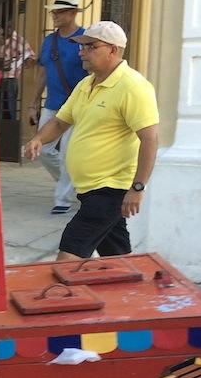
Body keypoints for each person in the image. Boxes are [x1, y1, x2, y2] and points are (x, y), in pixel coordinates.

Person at [23, 21, 159, 261]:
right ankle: (128, 293)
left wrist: (137, 188)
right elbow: (60, 121)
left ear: (113, 50)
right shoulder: (86, 84)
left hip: (109, 189)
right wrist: (38, 139)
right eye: (81, 46)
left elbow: (149, 139)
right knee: (117, 261)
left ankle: (62, 300)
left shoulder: (133, 86)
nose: (81, 52)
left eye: (90, 46)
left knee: (67, 259)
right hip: (88, 189)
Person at [25, 0, 88, 214]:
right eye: (53, 13)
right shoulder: (49, 41)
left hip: (77, 107)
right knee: (42, 149)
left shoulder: (85, 39)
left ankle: (62, 200)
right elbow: (43, 74)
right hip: (52, 104)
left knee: (67, 154)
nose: (55, 16)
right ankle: (71, 186)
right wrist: (33, 104)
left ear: (72, 14)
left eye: (59, 13)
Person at [0, 24, 34, 121]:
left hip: (11, 78)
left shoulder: (18, 40)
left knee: (10, 108)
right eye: (7, 27)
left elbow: (31, 57)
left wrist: (17, 62)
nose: (10, 30)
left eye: (11, 27)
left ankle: (10, 128)